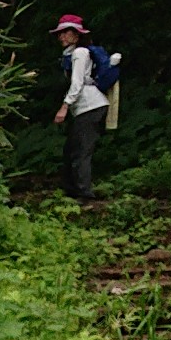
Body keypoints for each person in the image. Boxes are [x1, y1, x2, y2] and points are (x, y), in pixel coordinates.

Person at [53, 14, 111, 201]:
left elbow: (77, 84)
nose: (62, 36)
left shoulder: (80, 53)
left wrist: (64, 107)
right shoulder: (69, 55)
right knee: (71, 149)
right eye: (60, 33)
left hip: (90, 106)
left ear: (77, 35)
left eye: (66, 32)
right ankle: (71, 191)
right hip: (84, 108)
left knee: (81, 151)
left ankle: (84, 194)